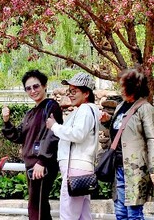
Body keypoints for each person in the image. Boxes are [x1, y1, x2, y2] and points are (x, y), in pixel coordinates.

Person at [2, 69, 63, 220]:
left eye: (36, 86)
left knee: (37, 207)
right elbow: (19, 136)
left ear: (44, 86)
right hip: (32, 165)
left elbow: (53, 134)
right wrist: (6, 121)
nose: (32, 91)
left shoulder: (51, 106)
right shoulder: (31, 112)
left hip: (41, 165)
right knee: (37, 206)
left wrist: (42, 161)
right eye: (28, 88)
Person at [106, 68, 154, 220]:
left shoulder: (145, 109)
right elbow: (120, 133)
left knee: (134, 214)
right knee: (120, 213)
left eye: (123, 86)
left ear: (134, 87)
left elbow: (153, 140)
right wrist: (106, 122)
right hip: (119, 167)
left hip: (135, 169)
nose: (121, 89)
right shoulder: (120, 106)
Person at [46, 72, 101, 220]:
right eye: (69, 91)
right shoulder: (91, 110)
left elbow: (77, 134)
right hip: (83, 168)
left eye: (74, 91)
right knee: (83, 215)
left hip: (75, 169)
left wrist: (55, 127)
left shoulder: (84, 110)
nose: (70, 95)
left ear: (86, 93)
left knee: (68, 215)